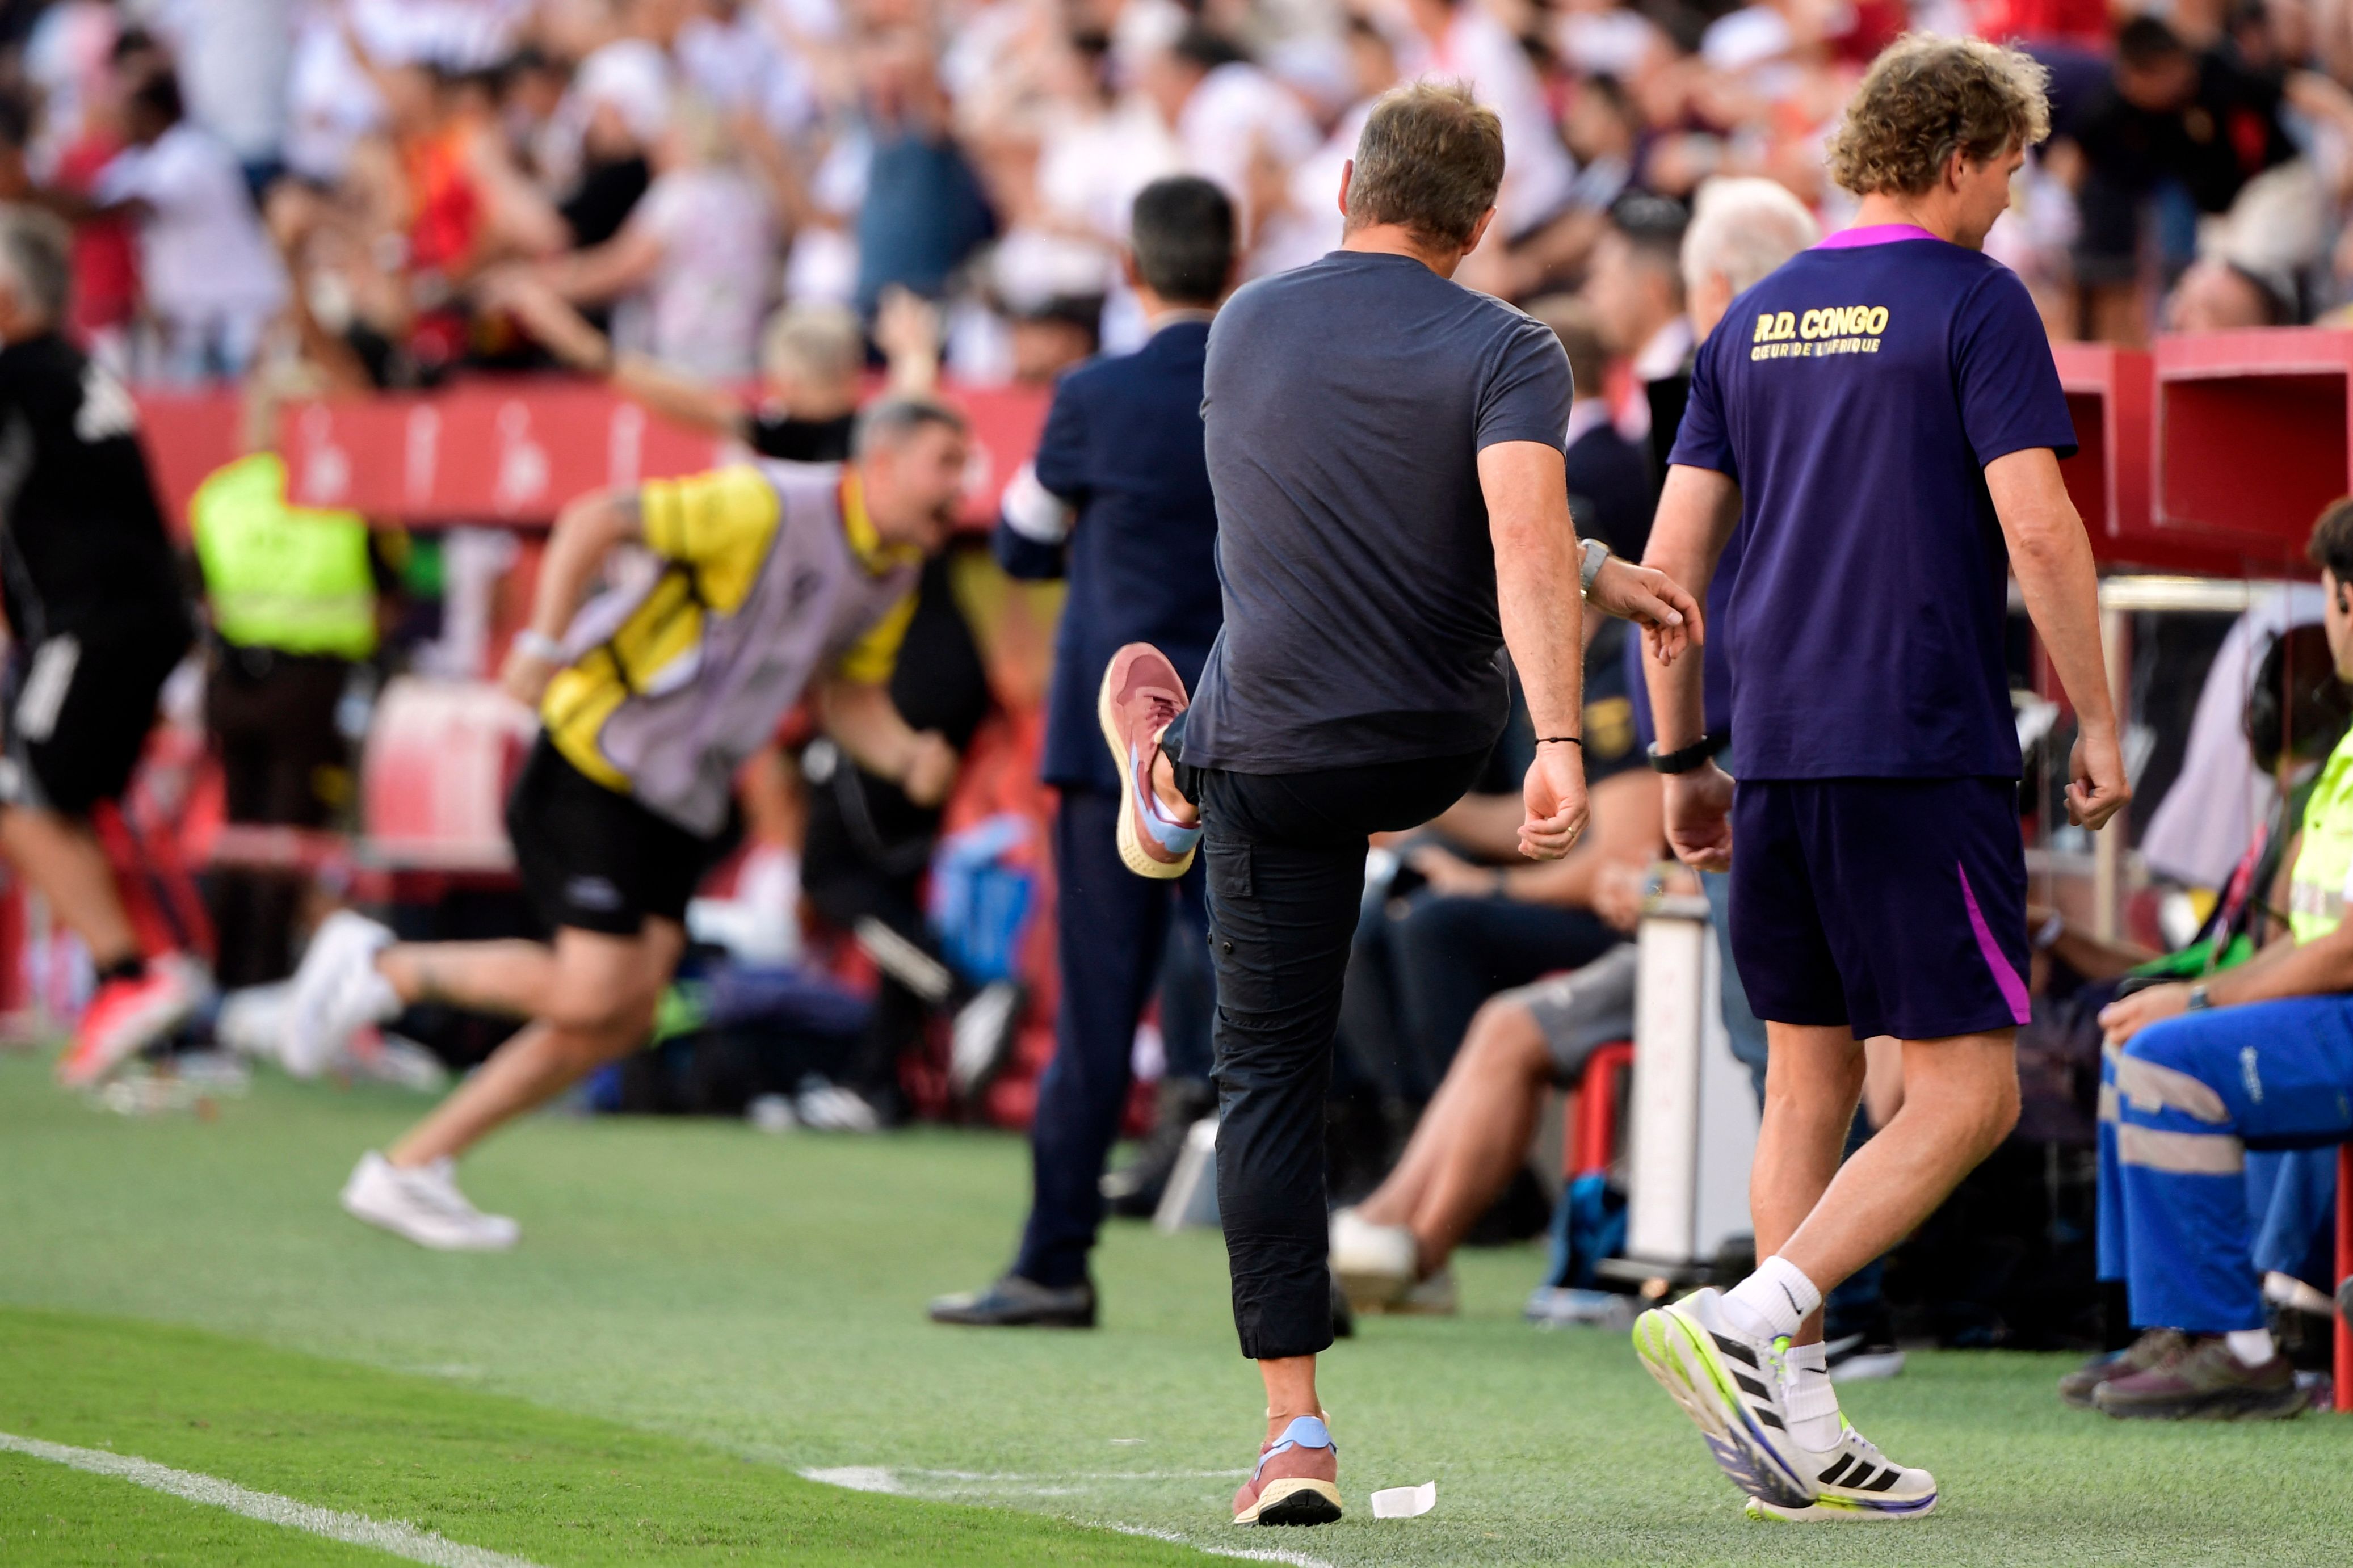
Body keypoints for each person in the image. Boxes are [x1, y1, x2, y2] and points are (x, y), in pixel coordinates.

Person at [1094, 81, 1698, 1526]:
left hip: (1276, 756)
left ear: (1348, 178)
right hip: (1434, 746)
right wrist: (1561, 730)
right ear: (1486, 219)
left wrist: (1571, 579)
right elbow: (1510, 528)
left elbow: (1335, 492)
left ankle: (1293, 1434)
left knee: (1268, 1091)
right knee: (1296, 605)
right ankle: (1180, 773)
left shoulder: (1242, 323)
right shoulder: (1512, 346)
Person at [1630, 36, 2128, 1521]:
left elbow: (1668, 571)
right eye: (2012, 168)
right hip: (1917, 738)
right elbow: (2038, 531)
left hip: (1774, 745)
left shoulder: (1751, 315)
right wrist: (2093, 719)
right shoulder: (1977, 300)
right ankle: (1750, 1314)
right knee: (1968, 1094)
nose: (2011, 198)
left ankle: (1790, 1422)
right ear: (1964, 154)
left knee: (1810, 1071)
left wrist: (1677, 754)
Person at [278, 397, 972, 1251]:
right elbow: (593, 519)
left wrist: (903, 754)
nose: (961, 486)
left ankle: (411, 1166)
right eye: (946, 462)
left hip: (683, 797)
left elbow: (848, 693)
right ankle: (382, 961)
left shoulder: (892, 567)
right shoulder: (765, 504)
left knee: (620, 1014)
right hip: (598, 756)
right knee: (592, 992)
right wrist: (540, 642)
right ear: (885, 460)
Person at [1337, 176, 1825, 1315]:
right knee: (1800, 1061)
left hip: (1718, 849)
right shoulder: (1760, 441)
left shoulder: (1705, 428)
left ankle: (1802, 1305)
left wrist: (1665, 779)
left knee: (1797, 1063)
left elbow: (1612, 842)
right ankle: (1401, 1236)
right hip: (1732, 823)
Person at [930, 175, 1235, 1330]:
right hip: (1251, 725)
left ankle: (1056, 1260)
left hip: (1116, 744)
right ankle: (1301, 1274)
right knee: (1268, 1009)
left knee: (1101, 1007)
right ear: (1233, 258)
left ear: (1133, 269)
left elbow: (1020, 541)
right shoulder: (1260, 380)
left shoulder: (1095, 393)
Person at [2075, 498, 2353, 1420]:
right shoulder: (2343, 748)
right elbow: (2295, 938)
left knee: (2163, 1051)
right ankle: (2175, 1326)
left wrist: (2196, 1003)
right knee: (2131, 1032)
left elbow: (2347, 945)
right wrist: (2192, 996)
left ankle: (2237, 1343)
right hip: (2327, 1014)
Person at [0, 207, 203, 1087]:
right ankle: (152, 996)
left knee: (21, 795)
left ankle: (130, 978)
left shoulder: (19, 378)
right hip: (133, 620)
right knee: (71, 802)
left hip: (90, 625)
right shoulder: (74, 372)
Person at [189, 375, 381, 990]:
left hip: (233, 683)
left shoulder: (217, 497)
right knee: (287, 841)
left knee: (238, 836)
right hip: (311, 689)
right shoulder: (340, 491)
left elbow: (198, 592)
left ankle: (229, 981)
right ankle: (263, 986)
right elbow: (393, 592)